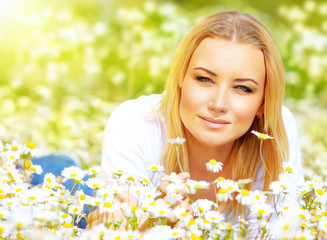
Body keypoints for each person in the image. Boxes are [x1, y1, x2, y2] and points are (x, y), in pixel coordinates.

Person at [87, 11, 304, 228]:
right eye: (204, 79)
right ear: (180, 77)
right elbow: (120, 229)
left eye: (242, 88)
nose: (218, 104)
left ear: (263, 103)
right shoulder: (135, 122)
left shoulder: (276, 131)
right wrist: (149, 224)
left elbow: (282, 229)